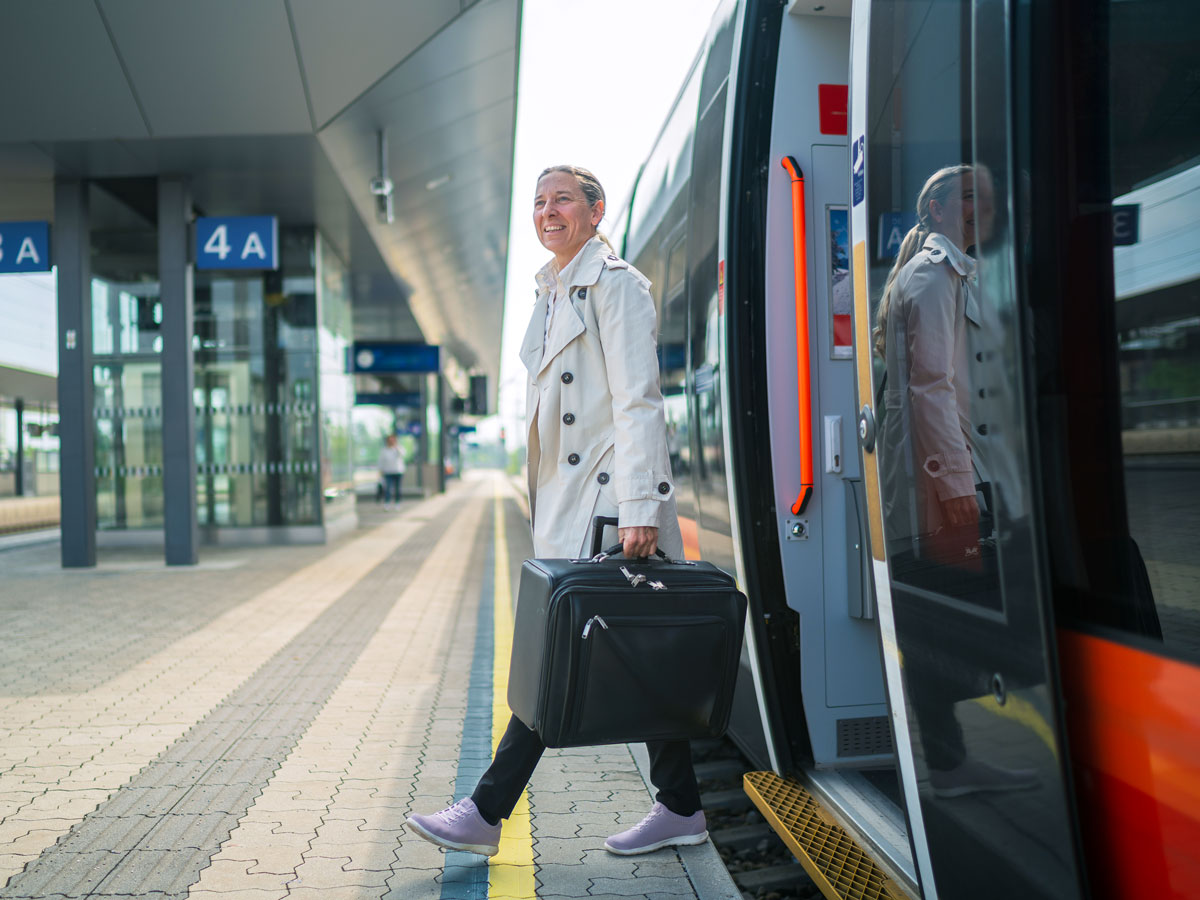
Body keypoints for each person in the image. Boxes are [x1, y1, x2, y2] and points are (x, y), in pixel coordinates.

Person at [405, 165, 702, 857]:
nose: (548, 211)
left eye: (563, 199)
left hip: (607, 504)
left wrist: (640, 508)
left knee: (558, 649)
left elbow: (638, 400)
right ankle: (682, 804)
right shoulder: (550, 292)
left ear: (596, 213)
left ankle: (485, 811)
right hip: (572, 507)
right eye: (539, 202)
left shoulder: (616, 285)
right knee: (636, 654)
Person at [378, 434, 405, 509]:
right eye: (390, 440)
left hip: (398, 471)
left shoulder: (399, 448)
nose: (391, 441)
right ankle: (387, 503)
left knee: (398, 488)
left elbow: (402, 454)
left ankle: (397, 503)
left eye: (393, 440)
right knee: (388, 488)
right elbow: (381, 461)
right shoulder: (384, 450)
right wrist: (380, 470)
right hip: (388, 472)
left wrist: (396, 447)